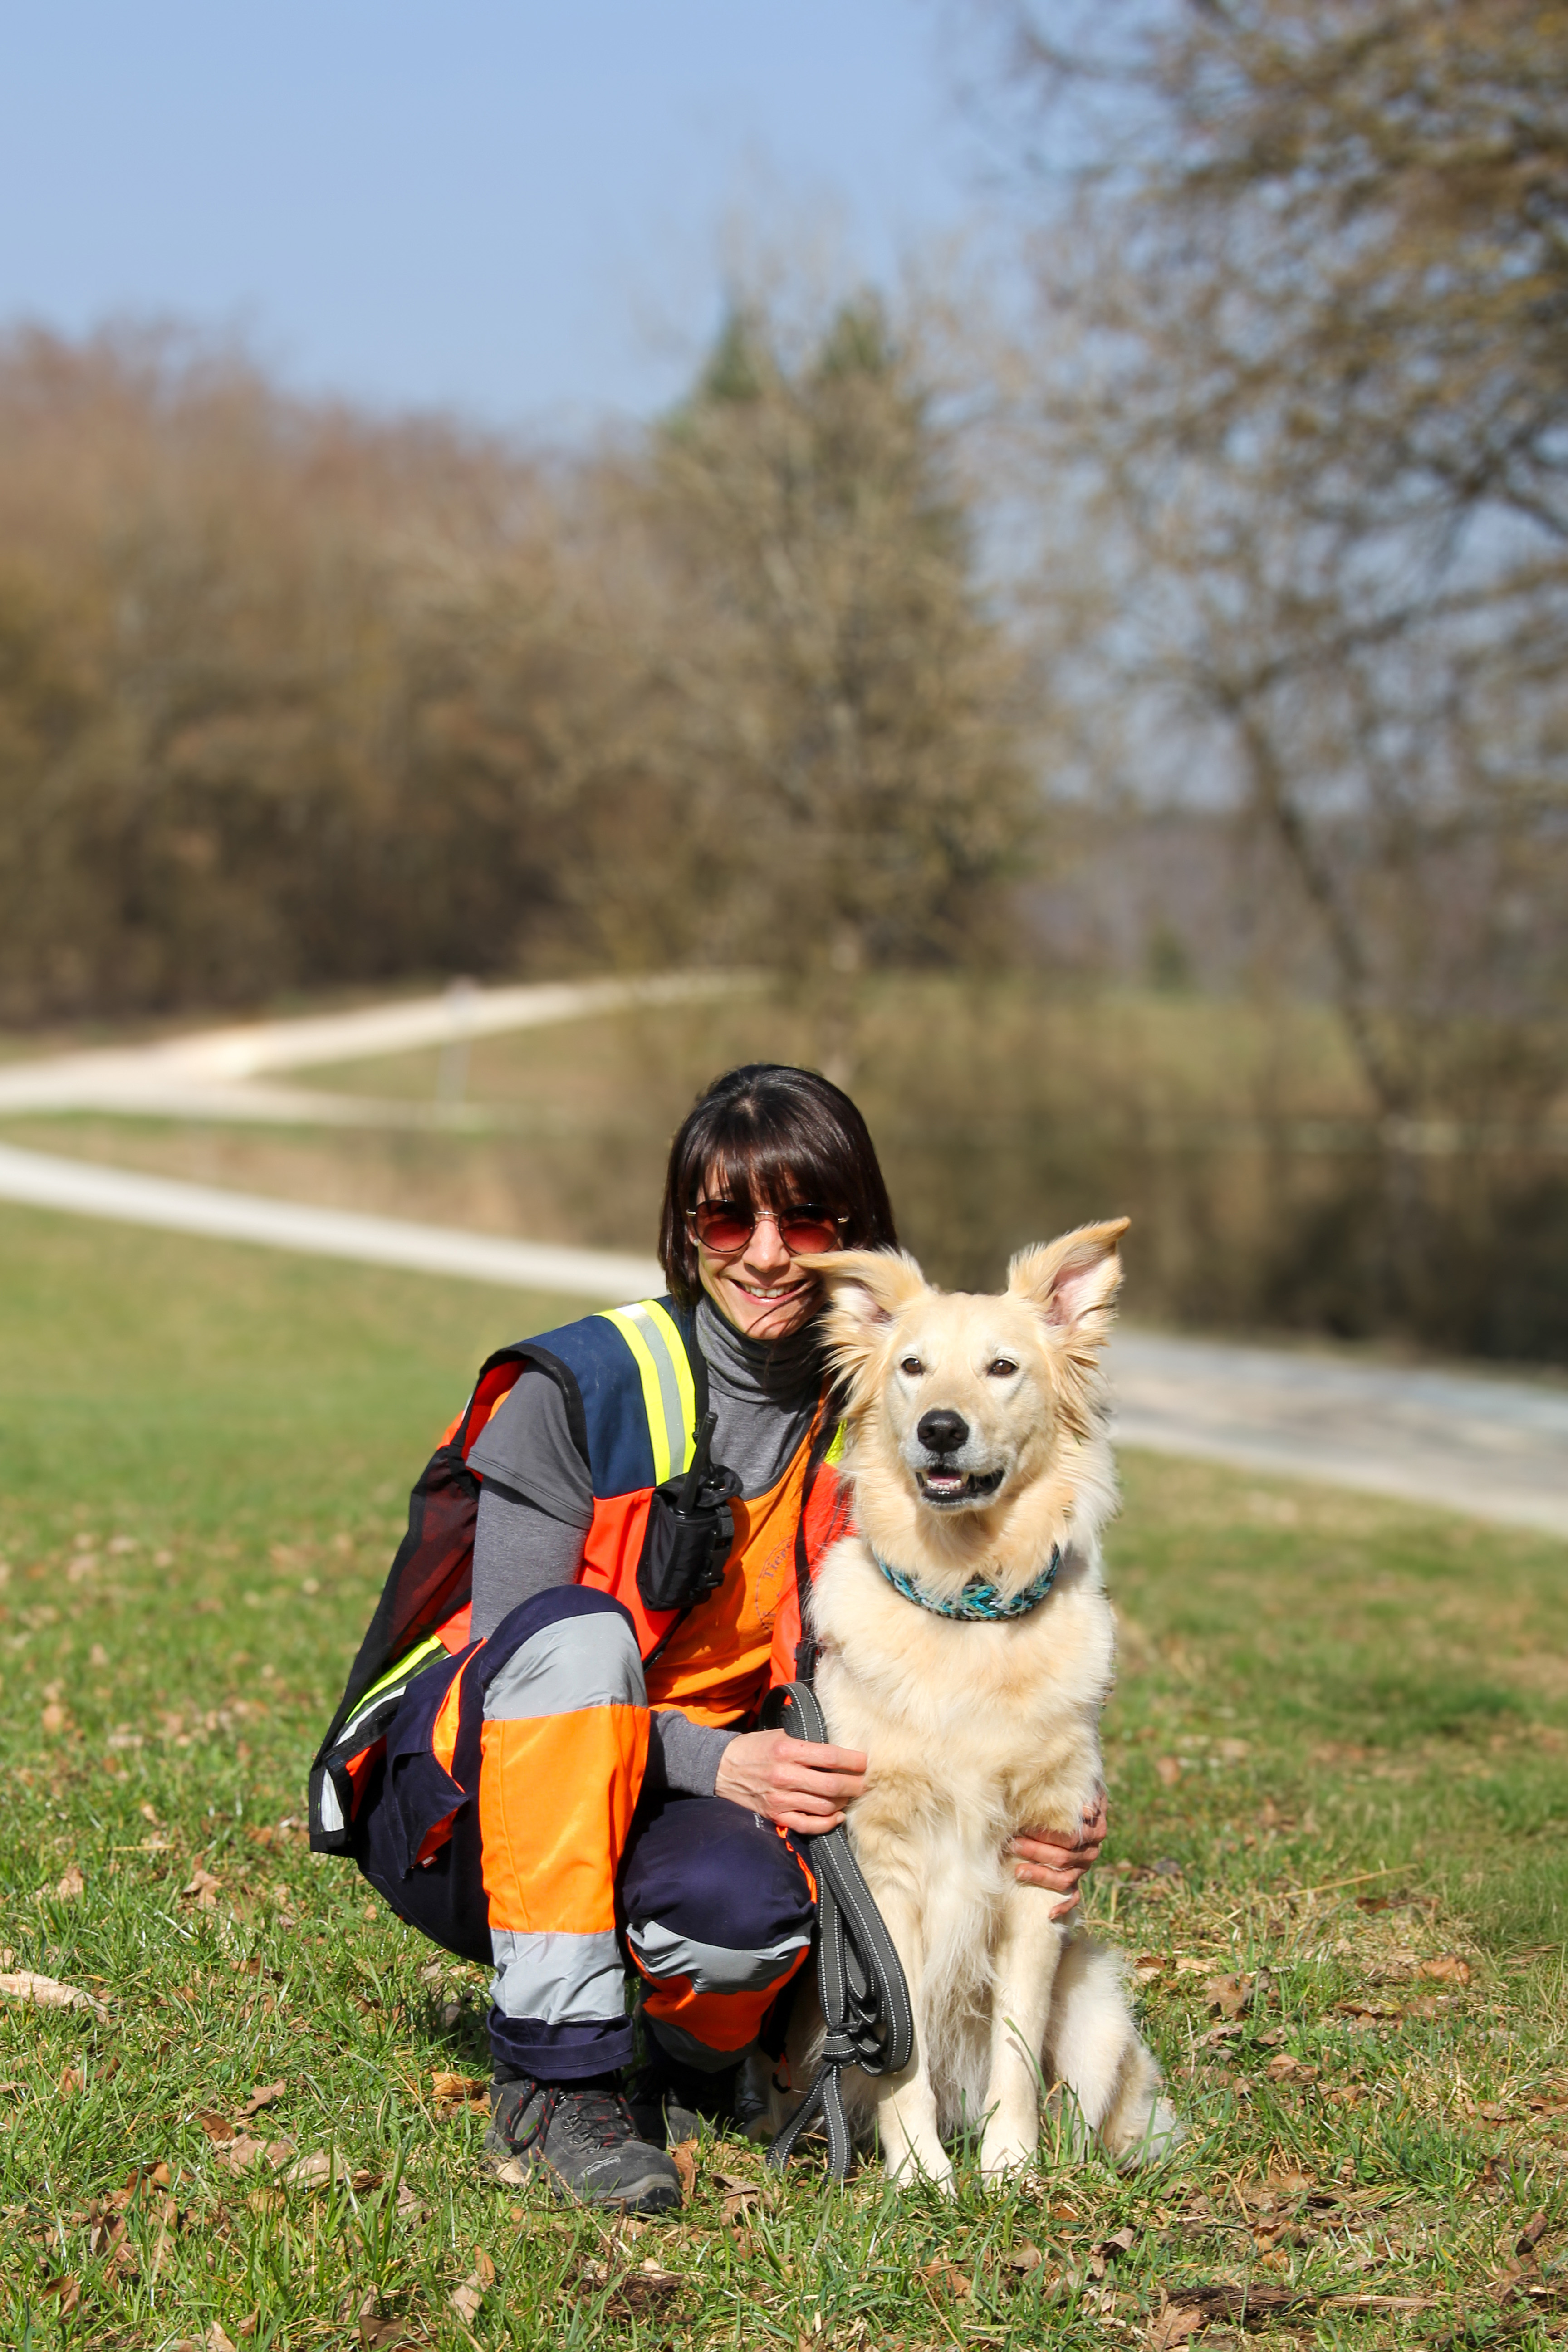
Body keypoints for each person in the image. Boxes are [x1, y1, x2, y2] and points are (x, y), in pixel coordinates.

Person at [415, 1064, 1107, 2211]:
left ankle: (692, 2059)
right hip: (489, 1788)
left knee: (744, 1916)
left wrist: (1056, 1799)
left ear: (857, 1235)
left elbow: (1000, 1595)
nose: (769, 1253)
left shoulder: (887, 1410)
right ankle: (556, 2078)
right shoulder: (581, 1386)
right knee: (579, 1637)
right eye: (730, 1216)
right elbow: (507, 1676)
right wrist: (716, 1760)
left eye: (809, 1220)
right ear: (687, 1232)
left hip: (714, 1799)